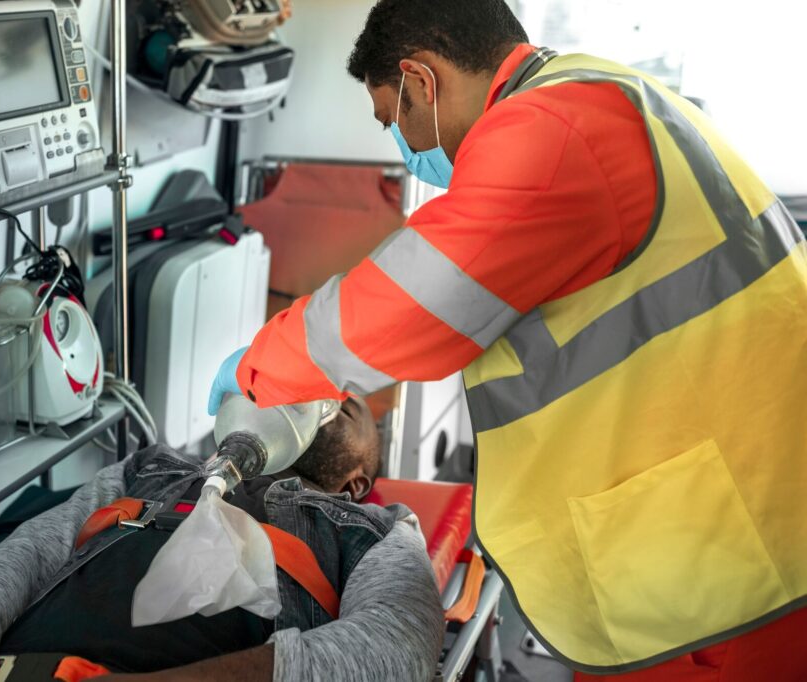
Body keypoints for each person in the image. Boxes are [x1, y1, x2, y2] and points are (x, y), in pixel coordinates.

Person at [207, 0, 807, 679]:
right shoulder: (600, 91)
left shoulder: (554, 128)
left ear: (422, 81)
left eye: (393, 118)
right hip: (733, 504)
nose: (400, 145)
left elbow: (412, 304)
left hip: (729, 552)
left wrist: (260, 368)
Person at [0, 397, 444, 682]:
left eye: (351, 408)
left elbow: (397, 649)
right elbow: (31, 554)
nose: (328, 396)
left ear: (358, 481)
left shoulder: (373, 529)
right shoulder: (149, 470)